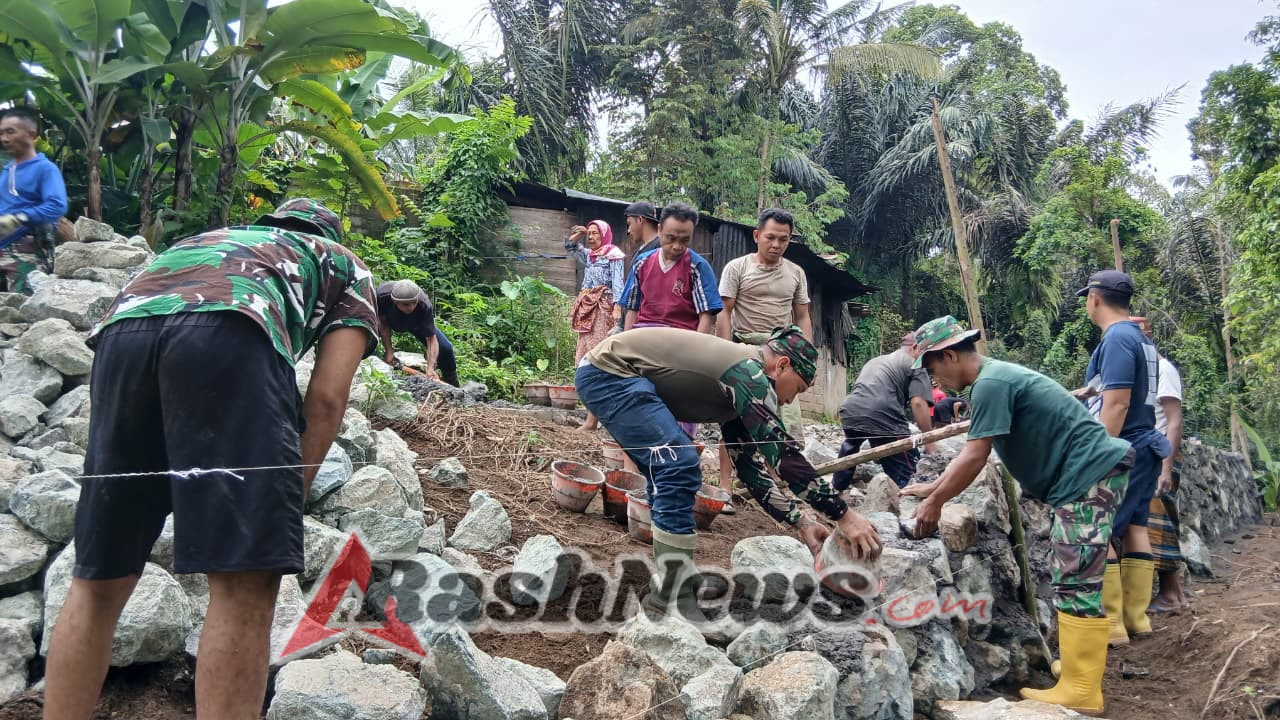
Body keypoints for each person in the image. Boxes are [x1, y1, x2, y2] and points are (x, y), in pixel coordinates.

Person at [43, 199, 379, 720]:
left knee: (99, 577)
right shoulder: (342, 261)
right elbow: (328, 398)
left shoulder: (213, 238)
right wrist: (287, 498)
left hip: (122, 338)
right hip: (231, 329)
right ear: (332, 232)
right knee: (246, 580)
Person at [576, 325, 881, 634]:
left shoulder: (743, 384)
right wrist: (845, 515)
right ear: (783, 365)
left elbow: (749, 469)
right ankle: (674, 596)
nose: (791, 401)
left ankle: (674, 580)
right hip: (609, 374)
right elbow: (784, 458)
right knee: (678, 465)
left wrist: (800, 520)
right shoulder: (749, 374)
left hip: (611, 375)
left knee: (668, 468)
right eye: (798, 390)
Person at [902, 316, 1135, 716]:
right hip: (1088, 477)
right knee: (1073, 573)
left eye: (932, 367)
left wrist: (934, 503)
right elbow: (976, 449)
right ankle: (1080, 672)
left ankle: (1082, 687)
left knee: (1075, 576)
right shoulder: (995, 379)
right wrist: (934, 486)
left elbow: (975, 456)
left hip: (1087, 477)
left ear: (951, 355)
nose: (933, 380)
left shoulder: (991, 384)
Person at [1077, 270, 1170, 646]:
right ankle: (1137, 618)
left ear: (1095, 298)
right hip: (1147, 444)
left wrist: (1100, 454)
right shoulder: (1139, 338)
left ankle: (1113, 625)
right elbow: (1101, 390)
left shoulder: (1117, 337)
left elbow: (1116, 403)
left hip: (1125, 444)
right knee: (1135, 526)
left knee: (1106, 529)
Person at [716, 207, 812, 489]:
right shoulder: (737, 268)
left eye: (783, 239)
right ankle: (724, 484)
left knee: (780, 420)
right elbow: (724, 311)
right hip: (745, 351)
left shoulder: (796, 273)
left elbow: (803, 315)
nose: (776, 244)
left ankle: (778, 483)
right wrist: (723, 349)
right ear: (757, 235)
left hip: (782, 355)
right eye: (771, 237)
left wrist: (807, 358)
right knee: (732, 418)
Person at [618, 201, 722, 440]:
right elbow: (632, 307)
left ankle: (679, 452)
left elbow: (706, 316)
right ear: (660, 228)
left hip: (681, 342)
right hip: (644, 339)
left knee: (680, 404)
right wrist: (625, 344)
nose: (677, 246)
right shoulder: (643, 262)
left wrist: (697, 353)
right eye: (670, 238)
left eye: (684, 240)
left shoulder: (697, 267)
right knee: (637, 403)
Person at [1130, 317, 1187, 612]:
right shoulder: (1146, 371)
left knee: (1159, 523)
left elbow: (1174, 420)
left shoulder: (1162, 370)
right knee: (1157, 523)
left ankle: (1171, 595)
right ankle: (1172, 593)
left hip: (1158, 456)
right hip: (1151, 455)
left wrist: (1166, 468)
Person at [833, 332, 937, 490]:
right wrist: (929, 441)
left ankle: (836, 490)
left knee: (851, 448)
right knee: (905, 459)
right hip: (882, 413)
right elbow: (918, 403)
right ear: (917, 348)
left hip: (850, 410)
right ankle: (908, 493)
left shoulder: (877, 360)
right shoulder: (916, 363)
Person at [565, 218, 625, 432]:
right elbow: (570, 246)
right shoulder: (590, 255)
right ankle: (591, 418)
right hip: (587, 308)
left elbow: (618, 282)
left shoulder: (613, 255)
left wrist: (618, 306)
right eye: (589, 233)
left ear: (605, 235)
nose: (591, 237)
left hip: (603, 309)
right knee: (583, 359)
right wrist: (579, 234)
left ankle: (593, 420)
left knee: (597, 359)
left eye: (595, 233)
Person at [0, 107, 67, 293]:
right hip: (3, 247)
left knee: (23, 312)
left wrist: (18, 219)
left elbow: (57, 205)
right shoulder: (7, 170)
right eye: (1, 133)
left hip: (28, 251)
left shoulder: (45, 169)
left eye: (10, 132)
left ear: (31, 134)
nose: (4, 138)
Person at [376, 278, 460, 386]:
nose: (411, 307)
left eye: (414, 302)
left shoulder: (424, 304)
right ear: (395, 302)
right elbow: (383, 325)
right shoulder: (382, 297)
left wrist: (430, 368)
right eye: (406, 304)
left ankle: (452, 383)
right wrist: (389, 351)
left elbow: (431, 338)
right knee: (368, 339)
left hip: (415, 323)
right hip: (389, 319)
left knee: (445, 348)